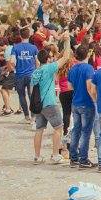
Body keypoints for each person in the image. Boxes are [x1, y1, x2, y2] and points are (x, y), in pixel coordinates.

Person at [30, 34, 72, 164]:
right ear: (48, 59)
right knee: (58, 127)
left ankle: (37, 156)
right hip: (49, 102)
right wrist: (67, 41)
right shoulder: (49, 68)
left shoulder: (36, 72)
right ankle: (55, 155)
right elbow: (66, 57)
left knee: (39, 129)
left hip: (38, 104)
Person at [67, 45, 97, 168]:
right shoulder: (88, 68)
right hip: (86, 103)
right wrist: (95, 100)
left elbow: (70, 87)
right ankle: (83, 159)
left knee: (76, 130)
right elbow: (89, 87)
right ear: (87, 55)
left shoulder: (72, 69)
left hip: (75, 102)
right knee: (86, 132)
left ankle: (73, 157)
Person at [10, 28, 39, 123]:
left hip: (19, 75)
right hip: (31, 74)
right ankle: (33, 117)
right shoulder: (33, 47)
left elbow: (12, 61)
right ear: (29, 36)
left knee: (21, 95)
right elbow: (37, 61)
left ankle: (26, 116)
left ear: (20, 36)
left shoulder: (15, 47)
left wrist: (15, 67)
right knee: (32, 96)